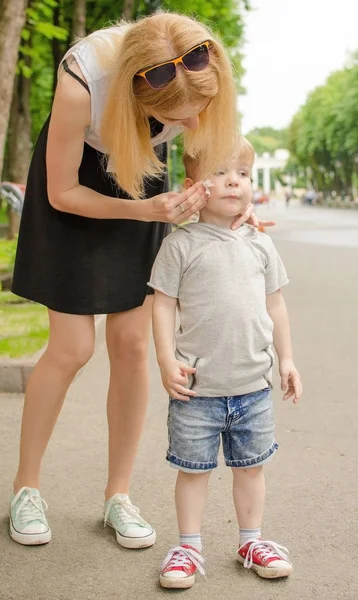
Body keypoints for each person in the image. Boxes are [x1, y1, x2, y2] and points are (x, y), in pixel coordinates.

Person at [9, 12, 275, 548]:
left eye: (201, 109)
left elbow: (211, 158)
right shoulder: (84, 80)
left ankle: (118, 496)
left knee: (131, 343)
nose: (195, 121)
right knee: (73, 346)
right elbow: (61, 192)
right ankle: (25, 489)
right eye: (179, 116)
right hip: (77, 186)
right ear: (138, 91)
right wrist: (147, 212)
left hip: (141, 185)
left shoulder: (202, 77)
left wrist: (229, 207)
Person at [149, 137, 302, 589]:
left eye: (243, 173)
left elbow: (276, 306)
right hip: (197, 387)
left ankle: (251, 541)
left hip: (253, 384)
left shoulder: (261, 244)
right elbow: (162, 306)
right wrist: (164, 359)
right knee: (193, 472)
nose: (234, 179)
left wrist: (287, 359)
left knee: (250, 468)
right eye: (220, 171)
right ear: (194, 187)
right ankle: (189, 547)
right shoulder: (180, 245)